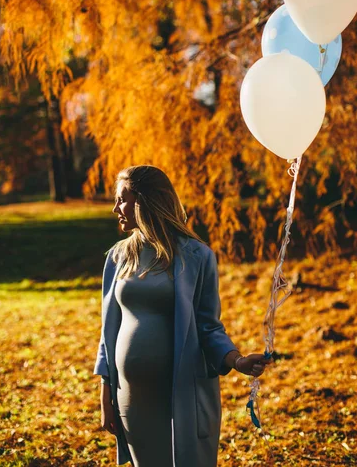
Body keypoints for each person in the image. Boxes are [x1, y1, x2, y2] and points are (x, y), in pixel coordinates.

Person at [94, 165, 271, 467]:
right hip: (131, 396)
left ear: (145, 200)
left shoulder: (196, 256)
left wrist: (237, 360)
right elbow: (107, 334)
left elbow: (209, 327)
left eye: (122, 199)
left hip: (182, 395)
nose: (115, 208)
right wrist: (105, 395)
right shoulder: (118, 257)